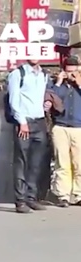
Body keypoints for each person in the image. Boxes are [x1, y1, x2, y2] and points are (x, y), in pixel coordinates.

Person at [8, 58, 49, 213]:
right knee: (21, 161)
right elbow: (13, 100)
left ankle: (32, 198)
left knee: (36, 162)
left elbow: (42, 96)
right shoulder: (18, 74)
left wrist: (47, 104)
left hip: (39, 121)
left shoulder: (43, 74)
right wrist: (21, 121)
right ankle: (20, 201)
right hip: (24, 122)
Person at [49, 56, 81, 207]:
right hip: (61, 126)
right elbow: (53, 98)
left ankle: (78, 194)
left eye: (74, 71)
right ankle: (63, 195)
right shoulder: (59, 85)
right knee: (62, 162)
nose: (71, 75)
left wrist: (78, 82)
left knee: (79, 163)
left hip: (79, 127)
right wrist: (60, 82)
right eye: (69, 71)